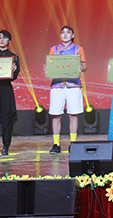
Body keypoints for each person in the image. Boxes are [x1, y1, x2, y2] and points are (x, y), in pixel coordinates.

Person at [48, 25, 87, 153]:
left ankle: (73, 143)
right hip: (57, 85)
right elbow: (50, 65)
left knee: (73, 114)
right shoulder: (54, 49)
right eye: (63, 32)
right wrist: (47, 69)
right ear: (60, 35)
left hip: (73, 85)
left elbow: (84, 66)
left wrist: (81, 68)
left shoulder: (78, 48)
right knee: (56, 115)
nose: (65, 34)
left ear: (72, 35)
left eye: (68, 32)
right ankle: (56, 144)